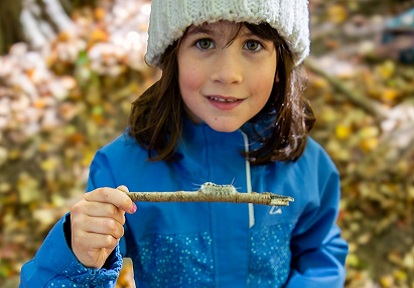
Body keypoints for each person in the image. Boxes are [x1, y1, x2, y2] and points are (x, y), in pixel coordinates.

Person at [20, 0, 349, 287]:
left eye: (252, 45)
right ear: (173, 56)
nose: (227, 74)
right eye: (204, 43)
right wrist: (77, 255)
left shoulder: (307, 165)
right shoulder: (121, 169)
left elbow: (320, 252)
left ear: (281, 63)